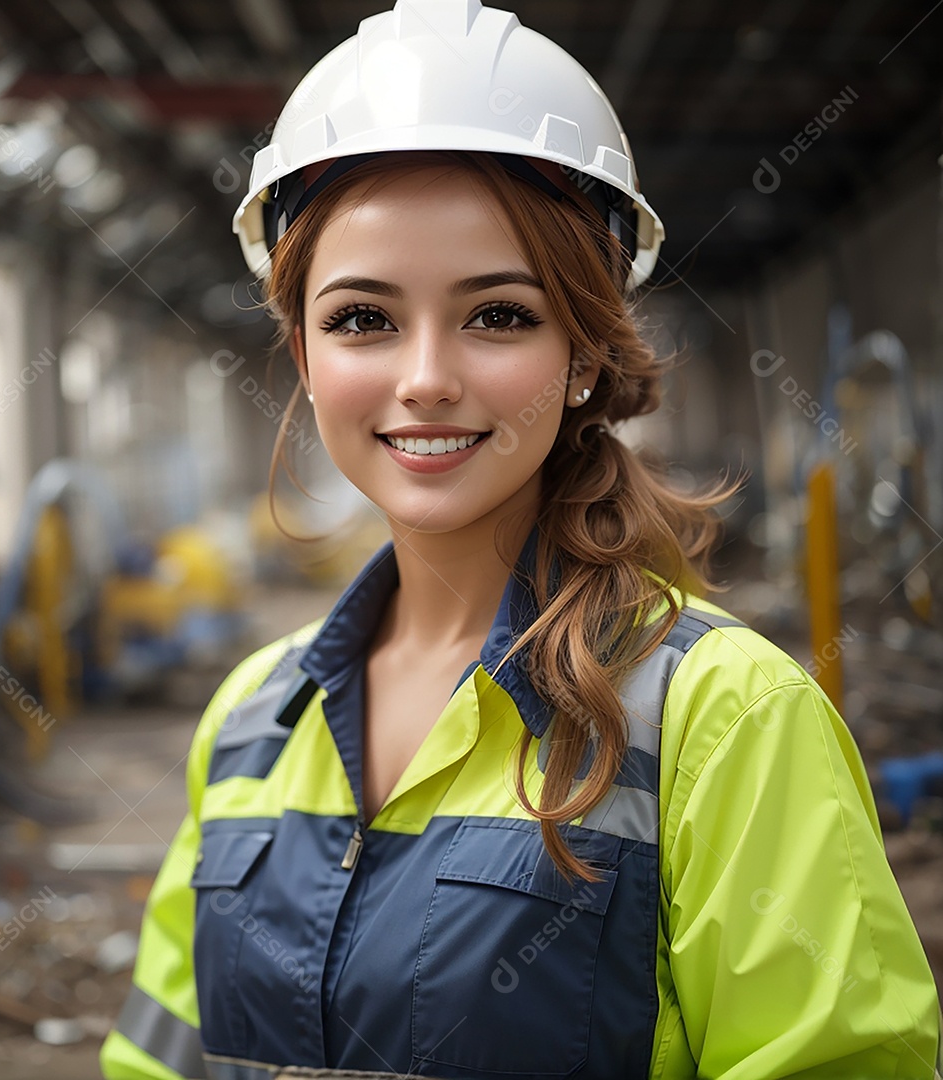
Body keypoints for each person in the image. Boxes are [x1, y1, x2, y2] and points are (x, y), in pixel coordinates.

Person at [101, 2, 942, 1077]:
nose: (425, 379)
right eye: (363, 318)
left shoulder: (725, 719)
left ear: (585, 351)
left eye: (498, 314)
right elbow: (161, 1057)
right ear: (305, 359)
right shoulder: (253, 720)